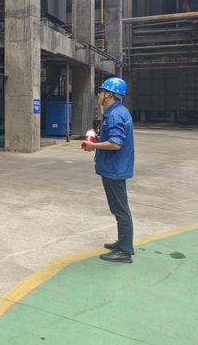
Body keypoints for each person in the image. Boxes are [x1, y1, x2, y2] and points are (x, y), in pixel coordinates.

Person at [83, 77, 135, 263]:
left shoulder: (114, 115)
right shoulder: (118, 111)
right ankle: (123, 243)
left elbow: (115, 143)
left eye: (101, 91)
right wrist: (98, 139)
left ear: (109, 94)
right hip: (116, 167)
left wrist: (93, 145)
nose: (99, 94)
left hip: (114, 169)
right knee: (119, 207)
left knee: (120, 209)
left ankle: (124, 251)